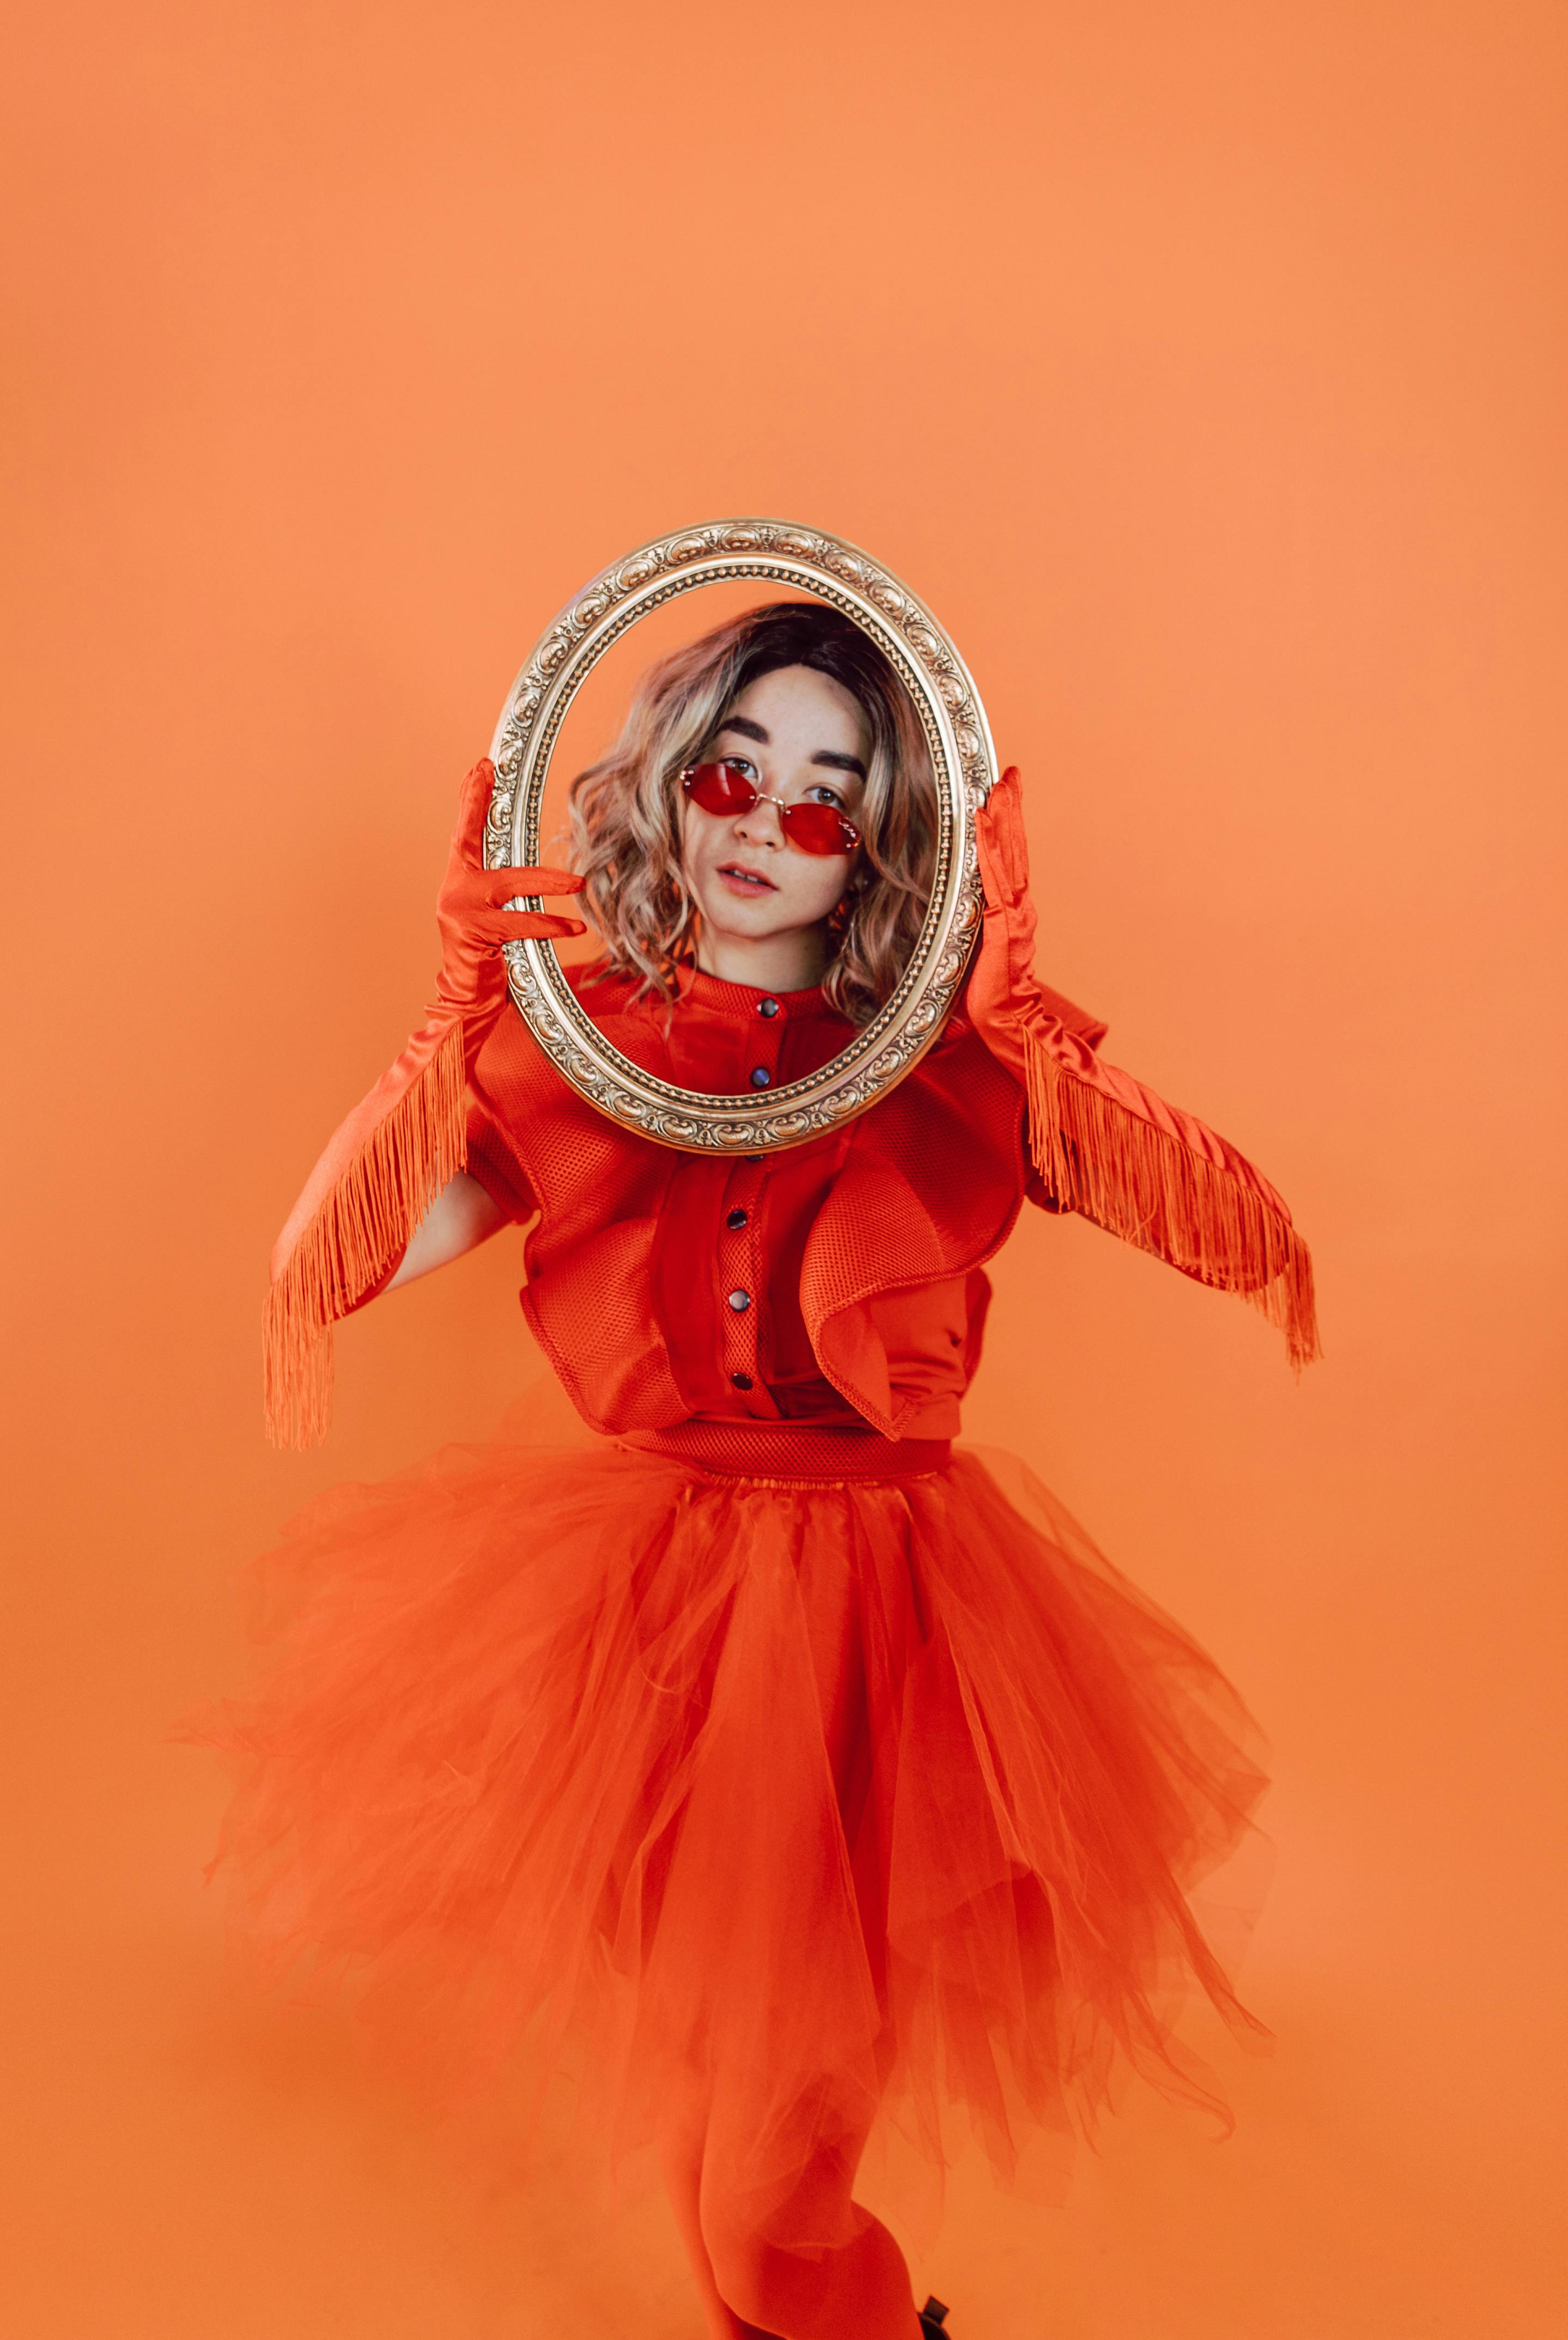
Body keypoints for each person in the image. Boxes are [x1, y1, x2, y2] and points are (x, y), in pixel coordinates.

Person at [210, 601, 1317, 2340]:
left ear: (882, 840)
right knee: (710, 2123)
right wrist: (445, 1033)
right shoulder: (582, 1046)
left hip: (888, 1637)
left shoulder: (950, 1068)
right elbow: (319, 1273)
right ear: (671, 782)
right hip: (647, 1625)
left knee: (771, 2211)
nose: (763, 829)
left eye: (826, 796)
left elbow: (1253, 1238)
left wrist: (1035, 1046)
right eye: (735, 773)